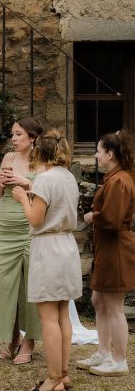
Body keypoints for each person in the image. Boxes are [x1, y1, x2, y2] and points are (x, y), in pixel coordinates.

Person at [12, 129, 82, 391]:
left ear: (40, 152)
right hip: (66, 245)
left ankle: (53, 379)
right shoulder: (68, 178)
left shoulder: (43, 178)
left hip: (48, 249)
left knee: (48, 317)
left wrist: (22, 199)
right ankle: (63, 373)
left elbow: (36, 218)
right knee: (63, 312)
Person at [77, 131, 135, 377]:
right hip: (108, 248)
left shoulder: (120, 181)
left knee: (114, 307)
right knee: (98, 301)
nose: (96, 156)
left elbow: (112, 219)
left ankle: (119, 360)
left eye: (99, 151)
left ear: (110, 154)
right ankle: (103, 352)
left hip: (116, 248)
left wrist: (92, 216)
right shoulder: (115, 178)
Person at [0, 117, 43, 364]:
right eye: (12, 134)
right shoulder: (8, 159)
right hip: (4, 229)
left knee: (29, 286)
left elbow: (48, 193)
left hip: (28, 229)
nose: (13, 139)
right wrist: (0, 184)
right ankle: (11, 337)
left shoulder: (42, 160)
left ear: (32, 137)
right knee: (6, 285)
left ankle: (30, 340)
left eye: (18, 135)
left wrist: (27, 182)